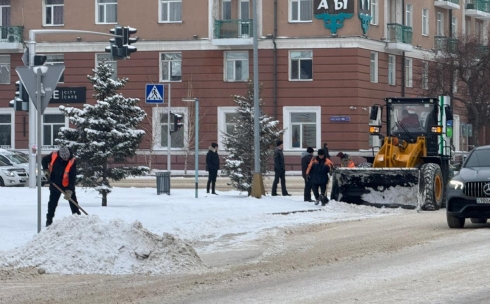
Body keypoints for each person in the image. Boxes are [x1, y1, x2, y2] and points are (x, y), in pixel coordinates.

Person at [42, 146, 80, 227]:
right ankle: (49, 220)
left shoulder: (72, 160)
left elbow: (72, 176)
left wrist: (69, 190)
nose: (66, 158)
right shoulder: (54, 155)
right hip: (54, 183)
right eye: (64, 157)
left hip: (67, 184)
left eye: (67, 157)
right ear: (61, 156)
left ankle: (78, 219)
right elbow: (44, 161)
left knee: (73, 202)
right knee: (52, 203)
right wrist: (45, 170)